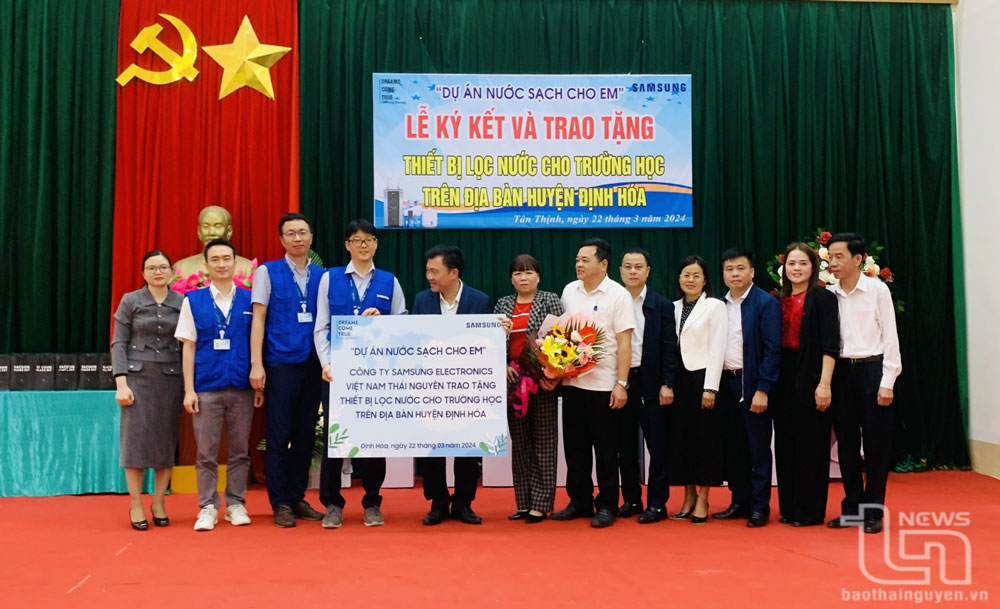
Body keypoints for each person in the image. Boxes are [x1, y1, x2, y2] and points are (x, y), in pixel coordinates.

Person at [313, 219, 407, 528]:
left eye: (369, 240)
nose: (363, 245)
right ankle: (332, 504)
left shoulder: (389, 281)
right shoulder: (330, 278)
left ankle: (372, 501)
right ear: (347, 245)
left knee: (373, 439)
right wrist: (326, 363)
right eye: (357, 240)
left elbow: (402, 327)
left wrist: (382, 321)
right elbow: (321, 327)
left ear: (377, 244)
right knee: (334, 440)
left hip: (375, 376)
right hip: (337, 374)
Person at [175, 238, 261, 531]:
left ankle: (236, 503)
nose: (222, 264)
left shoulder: (251, 299)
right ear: (206, 264)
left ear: (235, 263)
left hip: (241, 387)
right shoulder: (193, 300)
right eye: (216, 260)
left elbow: (258, 343)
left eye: (227, 259)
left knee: (239, 451)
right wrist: (189, 389)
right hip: (206, 387)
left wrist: (258, 385)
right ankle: (208, 506)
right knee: (206, 453)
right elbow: (188, 346)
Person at [552, 238, 635, 528]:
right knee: (575, 449)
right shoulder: (569, 291)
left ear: (603, 264)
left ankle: (608, 504)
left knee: (606, 449)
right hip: (573, 384)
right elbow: (560, 335)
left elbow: (625, 343)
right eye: (577, 259)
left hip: (603, 386)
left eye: (585, 259)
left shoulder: (618, 295)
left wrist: (621, 383)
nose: (579, 264)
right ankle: (580, 501)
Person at [249, 213, 325, 528]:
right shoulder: (267, 272)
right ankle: (279, 502)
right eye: (290, 233)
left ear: (311, 237)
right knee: (279, 434)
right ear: (282, 240)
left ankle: (297, 497)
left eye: (302, 232)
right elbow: (258, 318)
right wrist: (256, 364)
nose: (297, 238)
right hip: (280, 362)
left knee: (306, 433)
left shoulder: (323, 275)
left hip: (314, 363)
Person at [825, 232, 901, 535]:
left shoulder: (877, 290)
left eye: (840, 256)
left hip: (872, 371)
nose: (834, 262)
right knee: (845, 444)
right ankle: (853, 508)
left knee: (876, 444)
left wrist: (888, 381)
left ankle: (873, 511)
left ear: (858, 259)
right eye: (830, 257)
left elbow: (891, 336)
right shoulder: (829, 293)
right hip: (841, 373)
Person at [411, 245, 490, 526]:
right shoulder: (422, 301)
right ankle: (438, 502)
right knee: (432, 448)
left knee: (467, 446)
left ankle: (464, 503)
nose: (429, 276)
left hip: (467, 388)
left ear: (453, 272)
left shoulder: (479, 301)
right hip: (431, 388)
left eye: (435, 271)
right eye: (427, 271)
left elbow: (485, 345)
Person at [112, 250, 185, 530]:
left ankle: (158, 501)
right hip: (136, 378)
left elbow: (189, 343)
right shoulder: (131, 300)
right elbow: (119, 342)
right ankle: (135, 503)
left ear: (171, 272)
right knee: (136, 442)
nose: (158, 272)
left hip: (170, 378)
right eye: (152, 268)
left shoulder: (182, 302)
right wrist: (121, 382)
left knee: (165, 442)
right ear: (143, 273)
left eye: (163, 267)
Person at [712, 248, 781, 528]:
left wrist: (763, 388)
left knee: (757, 448)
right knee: (733, 447)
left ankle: (759, 506)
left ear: (751, 272)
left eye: (740, 268)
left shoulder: (765, 303)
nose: (735, 274)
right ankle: (739, 501)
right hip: (725, 384)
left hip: (753, 385)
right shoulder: (718, 305)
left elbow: (773, 350)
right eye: (729, 269)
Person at [772, 243, 840, 527]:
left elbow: (830, 344)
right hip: (783, 377)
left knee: (811, 444)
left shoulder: (823, 298)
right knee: (786, 444)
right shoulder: (778, 299)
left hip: (812, 375)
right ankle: (789, 508)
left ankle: (810, 511)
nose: (796, 269)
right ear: (784, 269)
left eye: (803, 263)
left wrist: (825, 384)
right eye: (791, 264)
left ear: (813, 268)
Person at [494, 254, 564, 524]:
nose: (523, 278)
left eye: (528, 273)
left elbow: (562, 339)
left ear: (538, 276)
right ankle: (523, 502)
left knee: (544, 444)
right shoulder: (502, 304)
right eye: (517, 274)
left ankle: (541, 503)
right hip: (513, 384)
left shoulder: (550, 299)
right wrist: (502, 364)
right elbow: (489, 340)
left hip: (543, 383)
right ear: (511, 278)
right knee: (520, 445)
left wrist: (551, 372)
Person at [615, 248, 678, 523]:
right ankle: (631, 499)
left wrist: (668, 383)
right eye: (627, 266)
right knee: (624, 445)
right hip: (621, 383)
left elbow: (669, 348)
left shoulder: (661, 305)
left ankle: (657, 503)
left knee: (658, 446)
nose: (632, 272)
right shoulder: (613, 302)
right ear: (619, 271)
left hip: (651, 383)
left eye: (638, 267)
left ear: (648, 271)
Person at [667, 256, 727, 524]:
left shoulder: (715, 307)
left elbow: (718, 347)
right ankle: (687, 496)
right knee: (682, 441)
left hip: (703, 379)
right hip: (679, 380)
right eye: (685, 275)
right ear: (679, 279)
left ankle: (703, 498)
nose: (690, 280)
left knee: (707, 440)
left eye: (696, 275)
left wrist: (711, 388)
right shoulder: (673, 307)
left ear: (705, 280)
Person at [172, 205, 254, 278]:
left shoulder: (248, 268)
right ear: (199, 232)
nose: (211, 232)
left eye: (218, 226)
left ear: (229, 231)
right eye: (205, 227)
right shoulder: (181, 268)